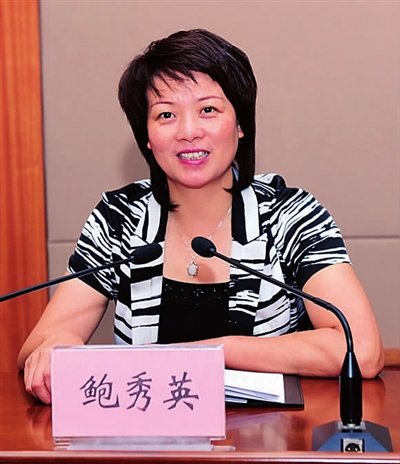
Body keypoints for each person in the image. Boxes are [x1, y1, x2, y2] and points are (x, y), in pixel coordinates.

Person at [18, 29, 384, 404]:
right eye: (166, 115)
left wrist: (210, 353)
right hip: (147, 436)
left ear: (240, 124)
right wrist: (57, 343)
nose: (189, 132)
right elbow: (36, 346)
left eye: (208, 110)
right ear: (147, 136)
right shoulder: (120, 217)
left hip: (267, 435)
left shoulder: (289, 215)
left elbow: (361, 349)